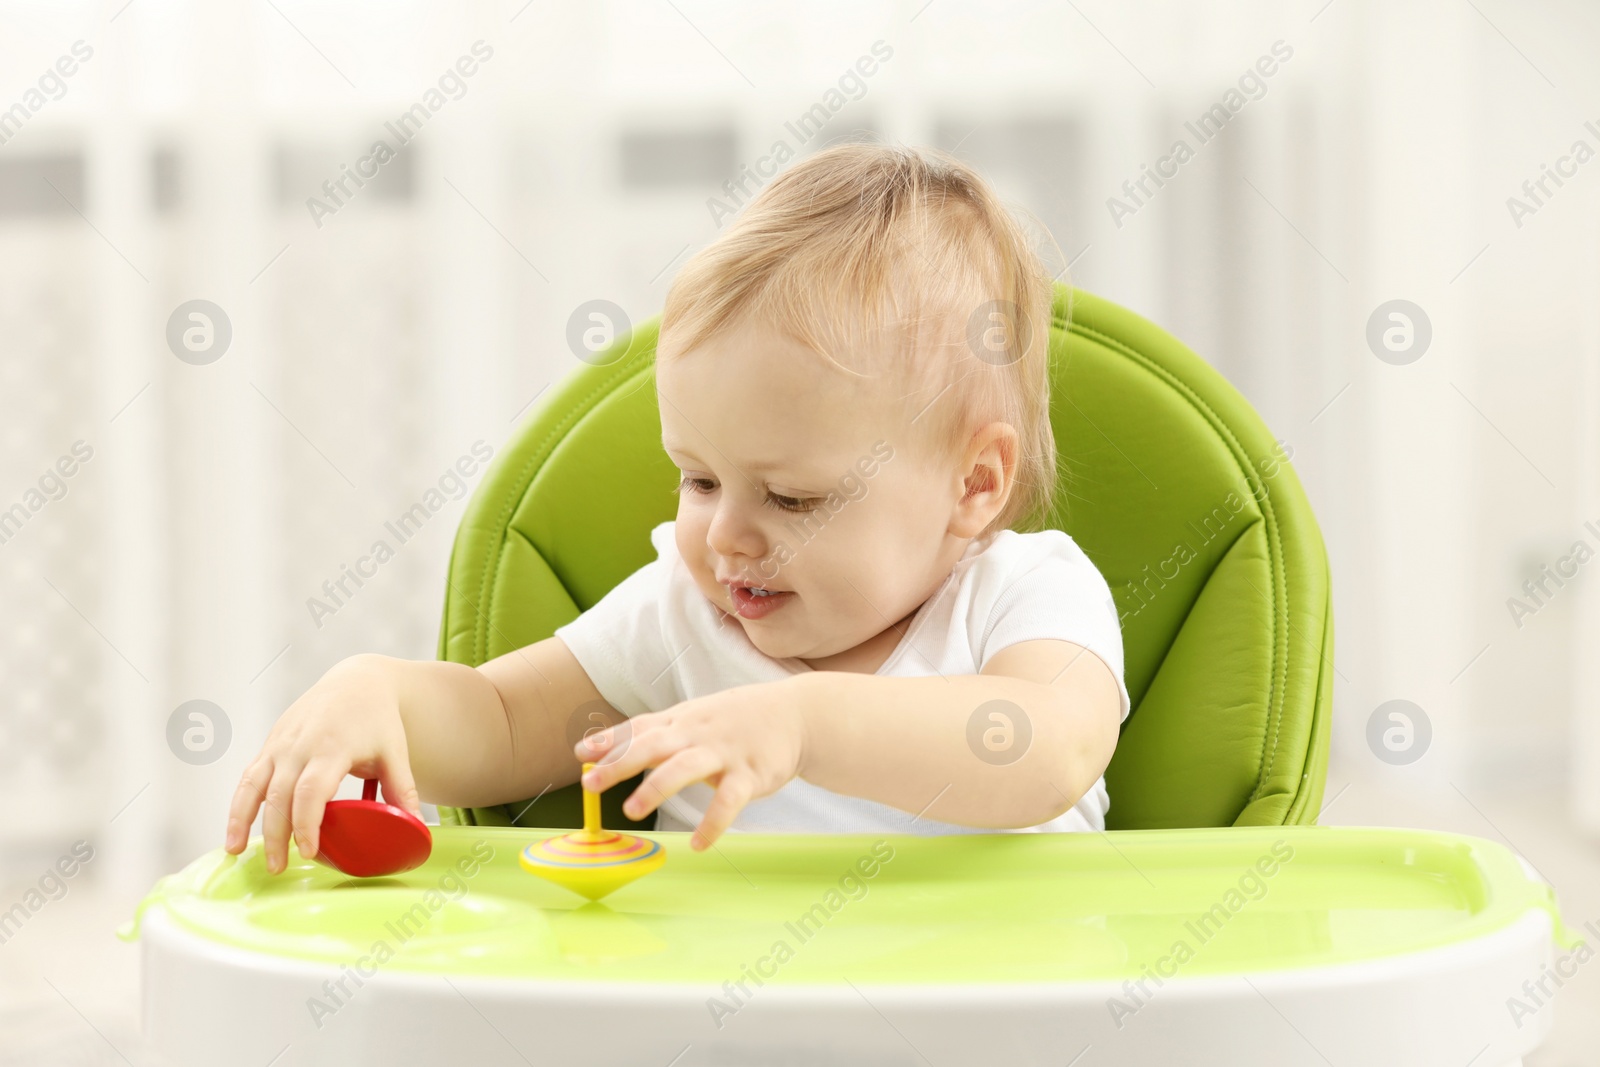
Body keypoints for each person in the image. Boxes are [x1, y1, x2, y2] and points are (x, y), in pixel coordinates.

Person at [225, 142, 1129, 874]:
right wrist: (378, 693)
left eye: (790, 496)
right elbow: (501, 723)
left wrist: (803, 724)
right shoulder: (685, 618)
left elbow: (1048, 747)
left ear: (973, 485)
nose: (726, 534)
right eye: (699, 479)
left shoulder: (1025, 594)